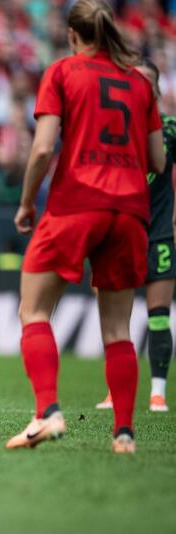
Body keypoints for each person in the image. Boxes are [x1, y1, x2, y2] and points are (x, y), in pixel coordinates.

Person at [7, 0, 166, 453]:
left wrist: (25, 203)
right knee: (118, 329)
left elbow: (41, 150)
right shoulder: (139, 82)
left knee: (34, 311)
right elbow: (157, 160)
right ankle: (124, 434)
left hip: (77, 201)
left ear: (74, 35)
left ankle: (47, 413)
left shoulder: (62, 72)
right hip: (131, 211)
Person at [95, 60, 176, 414]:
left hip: (158, 233)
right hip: (120, 234)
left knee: (158, 315)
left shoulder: (170, 129)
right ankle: (116, 391)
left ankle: (158, 392)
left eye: (145, 82)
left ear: (156, 90)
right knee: (117, 319)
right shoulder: (112, 128)